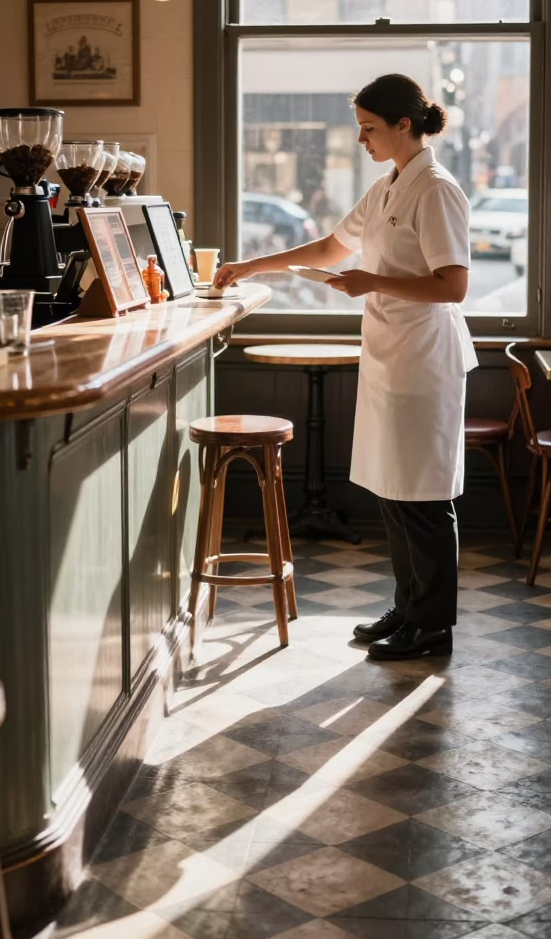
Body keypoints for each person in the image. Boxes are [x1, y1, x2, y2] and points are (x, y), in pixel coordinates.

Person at [214, 73, 478, 660]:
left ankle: (432, 626)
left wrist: (371, 282)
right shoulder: (387, 187)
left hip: (425, 359)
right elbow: (332, 248)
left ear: (403, 126)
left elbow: (453, 285)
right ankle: (407, 607)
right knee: (392, 488)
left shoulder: (436, 189)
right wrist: (256, 264)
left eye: (368, 129)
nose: (361, 140)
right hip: (389, 355)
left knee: (424, 496)